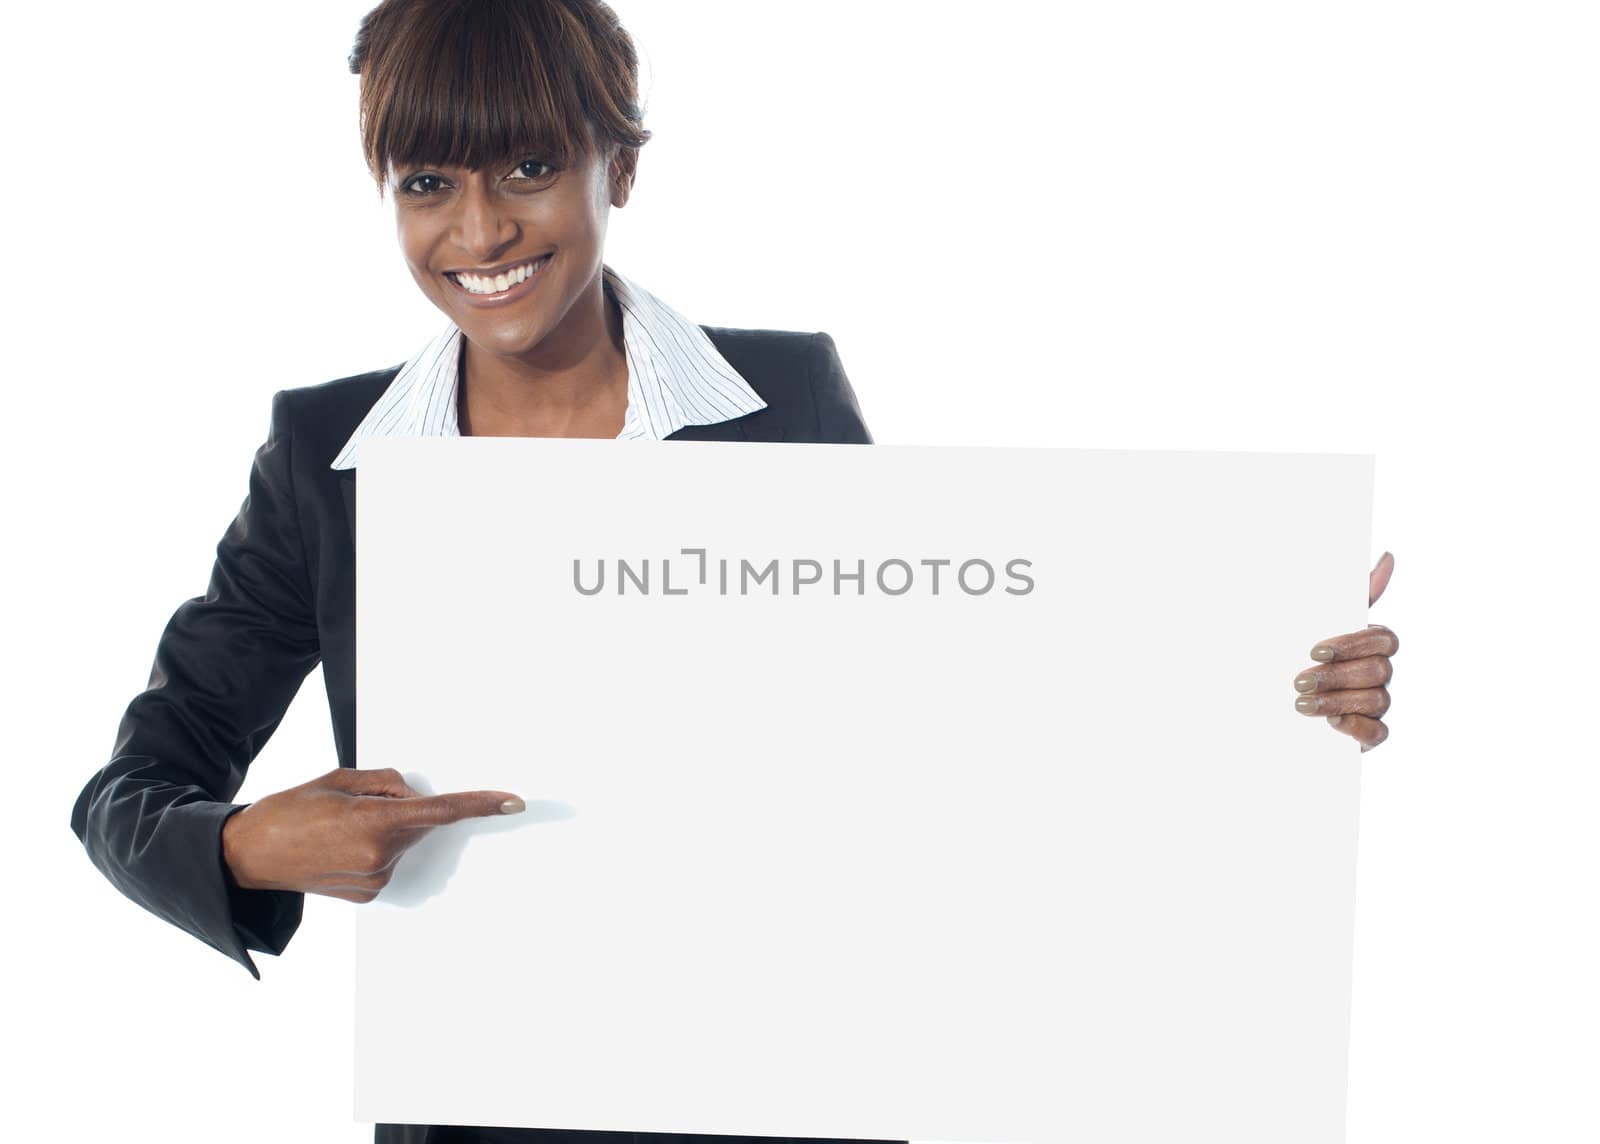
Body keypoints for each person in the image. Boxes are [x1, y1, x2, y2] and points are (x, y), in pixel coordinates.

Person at [67, 2, 1400, 1143]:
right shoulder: (326, 458)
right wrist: (242, 843)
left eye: (529, 167)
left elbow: (950, 707)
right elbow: (131, 789)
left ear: (619, 169)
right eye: (426, 184)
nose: (478, 232)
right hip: (478, 1102)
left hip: (776, 1094)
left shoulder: (787, 400)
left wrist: (1264, 671)